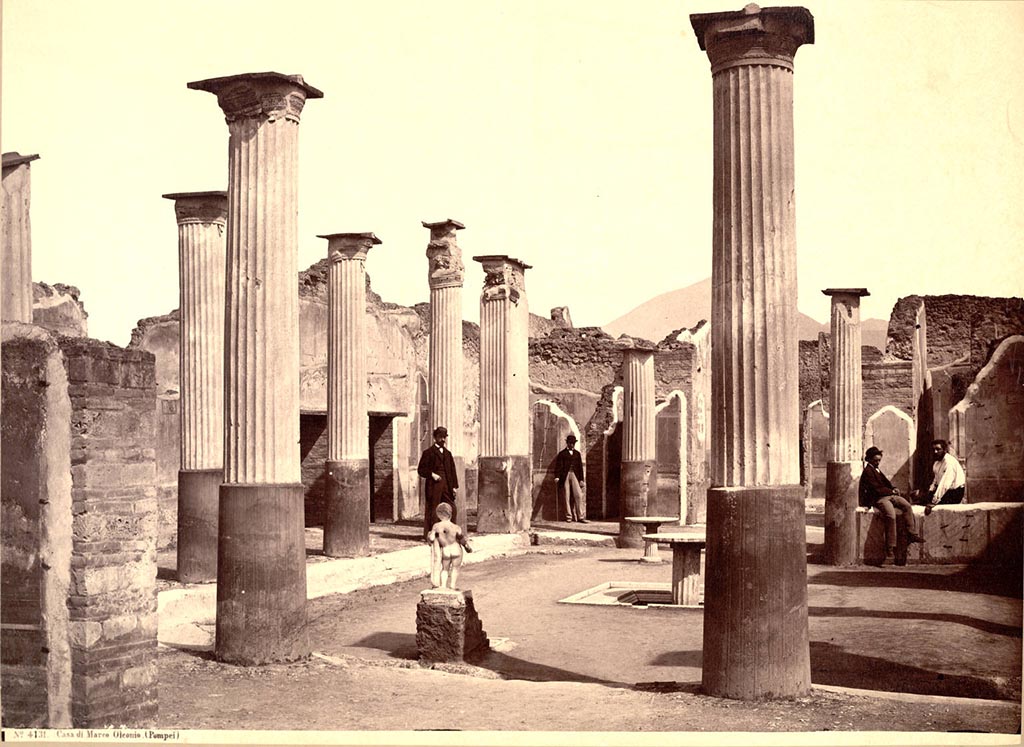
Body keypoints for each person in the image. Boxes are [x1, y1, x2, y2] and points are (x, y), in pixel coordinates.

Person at [859, 446, 923, 559]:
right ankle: (890, 547)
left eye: (879, 460)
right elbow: (876, 489)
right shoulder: (868, 471)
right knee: (891, 515)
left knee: (907, 505)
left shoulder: (876, 469)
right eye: (875, 460)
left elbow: (886, 483)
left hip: (888, 495)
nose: (878, 462)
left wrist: (894, 489)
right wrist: (891, 491)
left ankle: (911, 533)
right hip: (879, 498)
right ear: (869, 459)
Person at [417, 426, 458, 539]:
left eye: (444, 437)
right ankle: (432, 535)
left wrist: (454, 486)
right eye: (441, 437)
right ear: (435, 438)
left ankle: (450, 533)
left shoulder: (448, 453)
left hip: (447, 485)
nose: (443, 440)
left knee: (452, 509)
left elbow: (452, 471)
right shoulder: (428, 453)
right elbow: (421, 470)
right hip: (433, 485)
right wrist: (432, 475)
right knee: (433, 509)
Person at [912, 439, 966, 515]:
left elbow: (945, 484)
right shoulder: (937, 462)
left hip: (954, 492)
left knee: (930, 504)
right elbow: (936, 480)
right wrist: (930, 492)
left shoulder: (949, 462)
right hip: (944, 490)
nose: (935, 452)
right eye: (933, 449)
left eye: (938, 449)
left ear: (944, 450)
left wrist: (933, 502)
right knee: (921, 499)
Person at [427, 502, 472, 590]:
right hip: (456, 550)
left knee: (444, 569)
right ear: (450, 514)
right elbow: (462, 540)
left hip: (445, 550)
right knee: (455, 568)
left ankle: (443, 586)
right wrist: (467, 548)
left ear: (438, 514)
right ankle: (452, 586)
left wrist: (429, 536)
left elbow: (431, 539)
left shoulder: (436, 527)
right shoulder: (456, 527)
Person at [555, 434, 587, 522]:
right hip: (564, 475)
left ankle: (580, 516)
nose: (571, 445)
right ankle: (568, 516)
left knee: (578, 495)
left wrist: (581, 480)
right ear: (567, 443)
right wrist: (557, 476)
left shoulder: (577, 454)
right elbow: (558, 466)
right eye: (570, 443)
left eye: (573, 443)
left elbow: (580, 467)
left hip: (575, 475)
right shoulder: (562, 454)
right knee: (566, 496)